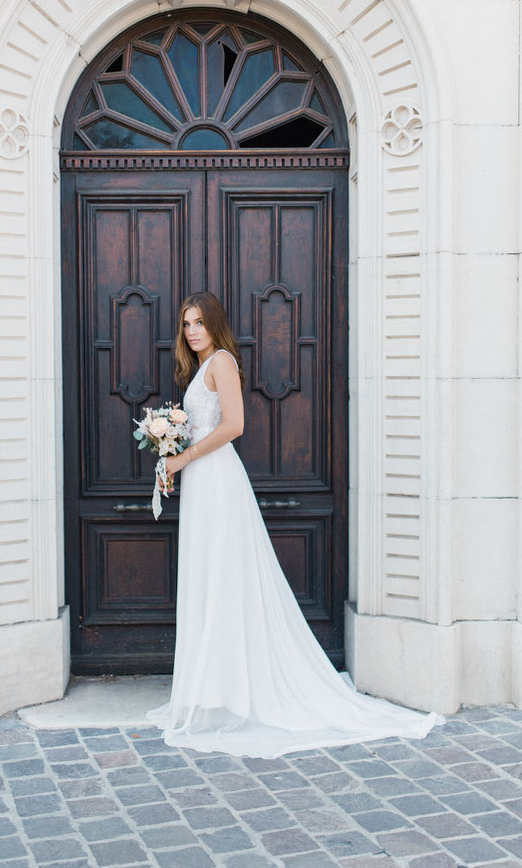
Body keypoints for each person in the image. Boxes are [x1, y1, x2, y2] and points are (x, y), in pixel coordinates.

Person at [146, 291, 444, 758]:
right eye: (187, 324)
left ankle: (229, 694)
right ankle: (211, 692)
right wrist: (171, 455)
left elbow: (234, 426)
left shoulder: (221, 361)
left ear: (214, 324)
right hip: (202, 481)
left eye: (200, 322)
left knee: (223, 577)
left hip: (218, 479)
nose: (193, 331)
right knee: (209, 579)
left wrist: (182, 455)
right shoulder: (200, 367)